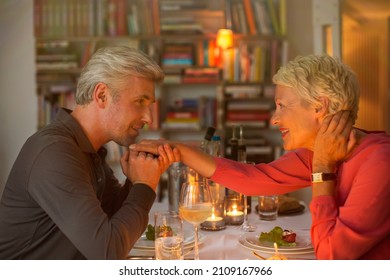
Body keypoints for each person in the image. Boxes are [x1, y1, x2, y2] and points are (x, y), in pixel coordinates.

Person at [130, 54, 390, 260]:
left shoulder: (379, 162)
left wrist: (322, 168)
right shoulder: (322, 151)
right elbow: (252, 179)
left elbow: (333, 254)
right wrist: (177, 150)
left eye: (281, 106)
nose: (274, 119)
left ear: (318, 107)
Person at [0, 46, 173, 259]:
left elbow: (111, 220)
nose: (149, 118)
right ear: (101, 95)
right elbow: (108, 252)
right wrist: (145, 186)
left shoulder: (86, 148)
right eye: (140, 102)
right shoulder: (54, 153)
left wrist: (136, 180)